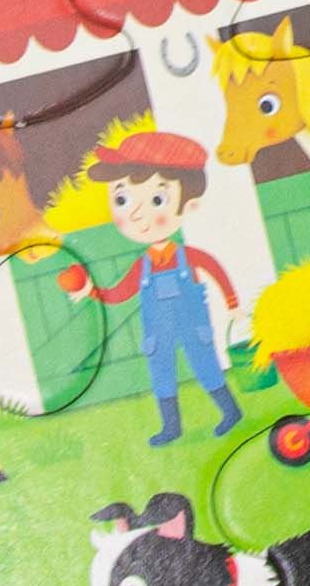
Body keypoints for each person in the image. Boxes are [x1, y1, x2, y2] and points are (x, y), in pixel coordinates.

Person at [59, 130, 241, 446]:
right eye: (122, 200)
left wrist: (232, 302)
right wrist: (91, 291)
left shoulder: (189, 257)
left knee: (205, 365)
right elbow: (119, 294)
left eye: (158, 200)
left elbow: (214, 268)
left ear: (189, 206)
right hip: (158, 332)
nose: (136, 214)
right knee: (161, 373)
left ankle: (231, 412)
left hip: (192, 324)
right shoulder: (141, 267)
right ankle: (171, 427)